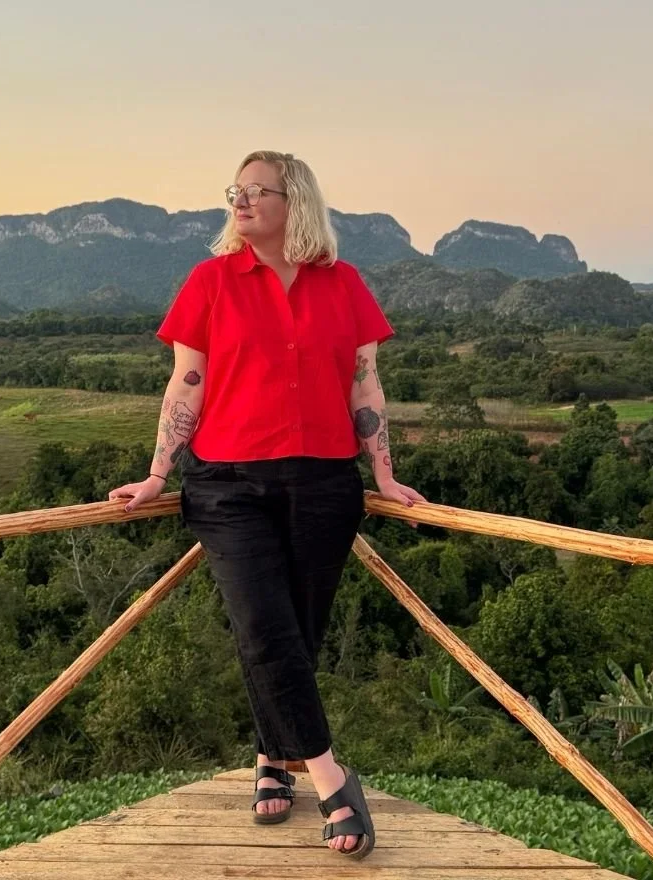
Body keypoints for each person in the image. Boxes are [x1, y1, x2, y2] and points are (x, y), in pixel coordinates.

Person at [108, 150, 425, 859]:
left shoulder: (343, 285)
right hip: (227, 486)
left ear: (297, 202)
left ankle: (270, 757)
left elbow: (365, 389)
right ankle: (330, 777)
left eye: (258, 191)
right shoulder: (211, 281)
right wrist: (159, 473)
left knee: (295, 633)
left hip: (324, 484)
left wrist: (384, 475)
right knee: (261, 625)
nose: (240, 201)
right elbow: (185, 384)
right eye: (236, 191)